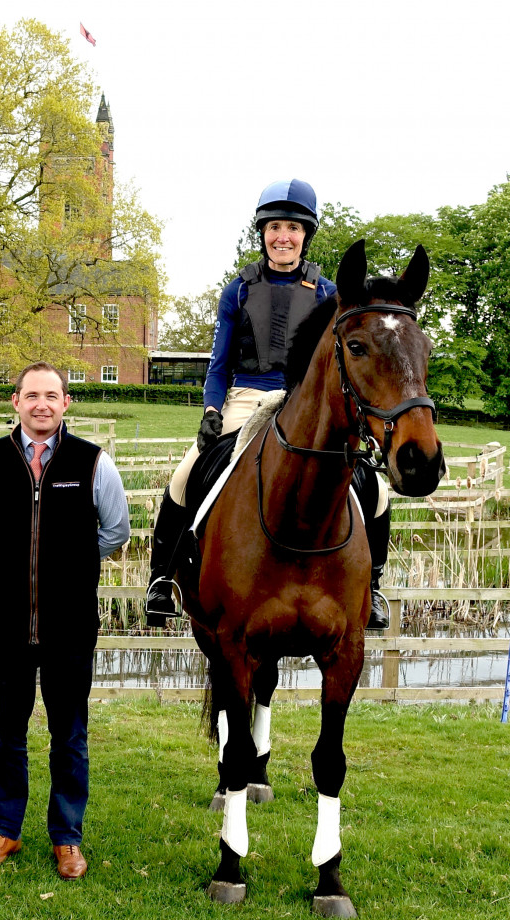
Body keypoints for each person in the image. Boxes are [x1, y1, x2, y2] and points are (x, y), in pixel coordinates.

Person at [146, 178, 393, 629]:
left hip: (307, 402)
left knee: (376, 491)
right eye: (275, 227)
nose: (284, 236)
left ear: (306, 235)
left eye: (293, 228)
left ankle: (372, 586)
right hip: (247, 397)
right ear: (262, 232)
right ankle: (162, 579)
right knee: (184, 476)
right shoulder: (237, 290)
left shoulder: (328, 293)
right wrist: (211, 411)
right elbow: (218, 364)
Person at [0, 362, 130, 880]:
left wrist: (70, 567)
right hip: (8, 627)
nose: (41, 404)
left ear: (65, 403)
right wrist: (17, 570)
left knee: (69, 734)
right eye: (31, 395)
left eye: (51, 395)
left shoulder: (93, 462)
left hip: (70, 627)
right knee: (5, 732)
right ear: (15, 402)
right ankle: (5, 831)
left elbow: (116, 531)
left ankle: (66, 837)